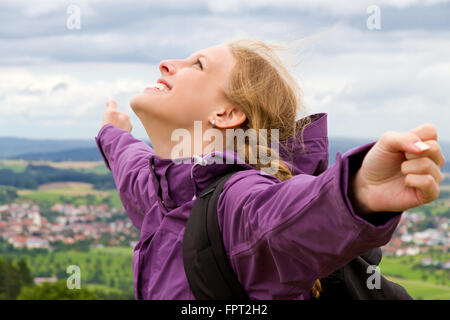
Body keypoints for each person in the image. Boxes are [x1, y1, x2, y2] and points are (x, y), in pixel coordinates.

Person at [95, 38, 445, 300]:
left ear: (227, 114)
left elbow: (290, 217)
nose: (165, 64)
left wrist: (358, 192)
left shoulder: (238, 202)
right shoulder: (162, 193)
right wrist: (113, 133)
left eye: (197, 65)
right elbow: (131, 165)